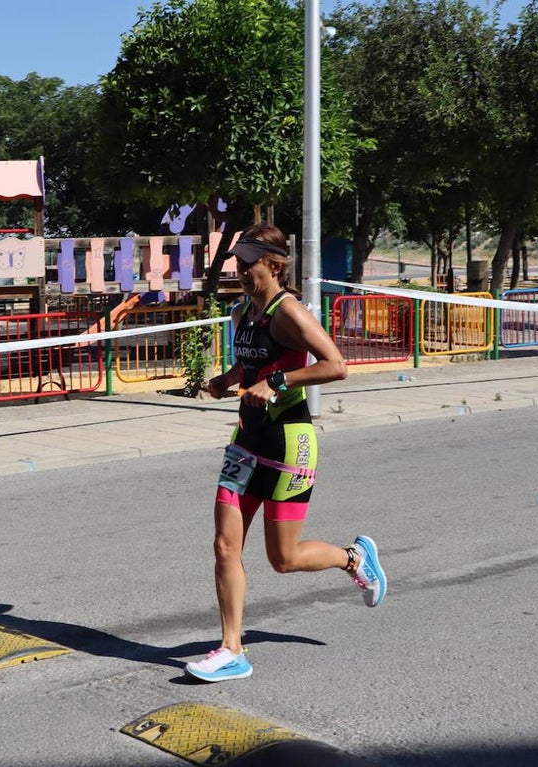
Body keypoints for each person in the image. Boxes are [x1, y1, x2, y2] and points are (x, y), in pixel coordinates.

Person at [185, 223, 387, 683]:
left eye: (247, 264)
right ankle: (232, 649)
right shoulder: (242, 313)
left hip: (289, 442)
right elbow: (250, 363)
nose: (239, 271)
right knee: (224, 545)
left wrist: (275, 384)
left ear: (274, 266)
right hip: (245, 442)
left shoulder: (287, 311)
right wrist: (227, 380)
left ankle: (353, 558)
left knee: (284, 559)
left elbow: (336, 366)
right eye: (236, 263)